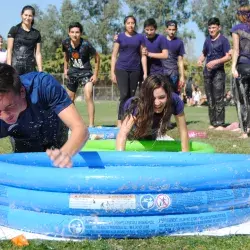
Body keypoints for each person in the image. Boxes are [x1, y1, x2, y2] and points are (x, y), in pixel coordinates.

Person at [0, 63, 89, 168]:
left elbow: (81, 129)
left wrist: (65, 154)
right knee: (28, 170)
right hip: (24, 139)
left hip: (55, 132)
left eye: (9, 106)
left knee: (60, 169)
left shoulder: (43, 86)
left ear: (22, 91)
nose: (4, 115)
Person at [116, 75, 189, 152]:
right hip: (134, 129)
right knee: (136, 139)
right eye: (152, 98)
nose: (157, 103)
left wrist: (185, 157)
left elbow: (183, 131)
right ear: (146, 97)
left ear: (168, 95)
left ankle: (157, 136)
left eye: (162, 97)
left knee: (150, 140)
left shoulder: (175, 101)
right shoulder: (136, 106)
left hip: (152, 128)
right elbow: (122, 135)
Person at [111, 16, 147, 127]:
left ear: (135, 24)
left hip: (135, 70)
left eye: (132, 23)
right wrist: (112, 72)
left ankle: (129, 120)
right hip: (121, 68)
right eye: (128, 23)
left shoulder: (140, 37)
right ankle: (120, 121)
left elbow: (143, 55)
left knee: (132, 96)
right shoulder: (120, 37)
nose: (130, 25)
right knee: (124, 94)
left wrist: (145, 72)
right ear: (125, 24)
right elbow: (113, 55)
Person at [62, 22, 100, 127]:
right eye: (72, 32)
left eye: (77, 32)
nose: (75, 34)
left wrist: (95, 74)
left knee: (88, 95)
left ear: (81, 33)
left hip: (86, 73)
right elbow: (66, 55)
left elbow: (97, 57)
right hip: (73, 73)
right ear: (69, 33)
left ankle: (91, 125)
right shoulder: (65, 43)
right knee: (69, 100)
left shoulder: (86, 44)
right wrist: (65, 69)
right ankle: (74, 124)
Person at [197, 17, 231, 130]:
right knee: (210, 98)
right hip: (207, 73)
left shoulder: (224, 40)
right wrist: (200, 60)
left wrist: (216, 62)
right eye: (209, 28)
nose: (211, 30)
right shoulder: (207, 40)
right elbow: (204, 53)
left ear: (219, 28)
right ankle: (213, 122)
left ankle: (220, 123)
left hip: (219, 73)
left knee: (218, 98)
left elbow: (228, 56)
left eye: (214, 27)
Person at [231, 4, 250, 138]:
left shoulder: (237, 29)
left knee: (242, 100)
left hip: (243, 66)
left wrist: (233, 67)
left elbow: (236, 50)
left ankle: (244, 131)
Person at [7, 5, 42, 75]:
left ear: (33, 17)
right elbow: (9, 50)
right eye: (25, 15)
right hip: (15, 69)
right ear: (21, 15)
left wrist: (40, 71)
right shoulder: (14, 29)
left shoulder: (36, 33)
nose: (27, 18)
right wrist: (9, 68)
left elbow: (38, 53)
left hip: (31, 69)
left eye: (30, 16)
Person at [162, 20, 185, 94]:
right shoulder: (161, 41)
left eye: (173, 29)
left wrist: (182, 76)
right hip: (162, 73)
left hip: (174, 74)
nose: (171, 32)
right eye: (170, 29)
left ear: (176, 29)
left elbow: (180, 61)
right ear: (166, 29)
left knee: (173, 96)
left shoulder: (179, 42)